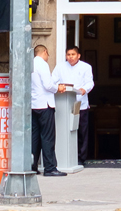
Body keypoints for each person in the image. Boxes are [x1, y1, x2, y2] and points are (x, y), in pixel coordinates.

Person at [52, 46, 95, 166]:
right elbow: (53, 81)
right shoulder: (60, 67)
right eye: (68, 55)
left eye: (73, 54)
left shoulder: (86, 67)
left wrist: (84, 89)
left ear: (78, 55)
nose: (70, 57)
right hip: (64, 105)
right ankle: (66, 157)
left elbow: (90, 82)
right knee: (65, 132)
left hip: (80, 104)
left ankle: (81, 158)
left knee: (82, 132)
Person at [29, 45, 64, 176]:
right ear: (44, 52)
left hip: (34, 104)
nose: (48, 57)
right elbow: (48, 85)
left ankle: (32, 166)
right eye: (48, 54)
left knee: (35, 137)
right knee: (48, 137)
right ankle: (50, 167)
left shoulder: (29, 63)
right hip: (45, 104)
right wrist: (58, 88)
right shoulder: (42, 64)